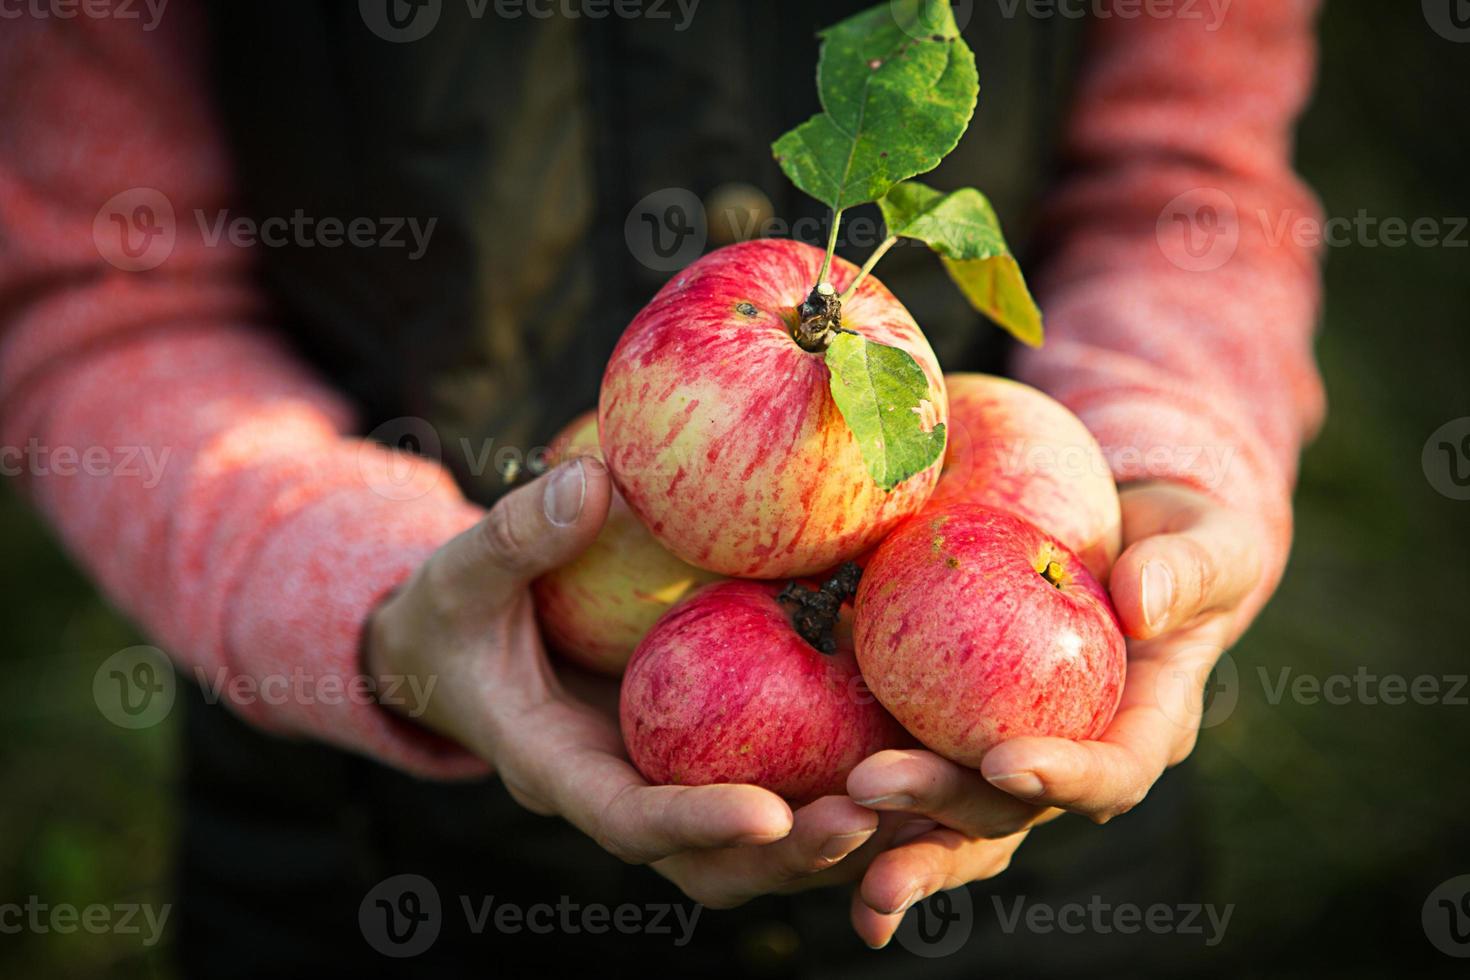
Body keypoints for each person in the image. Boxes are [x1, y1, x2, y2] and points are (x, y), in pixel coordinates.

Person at [0, 0, 1325, 974]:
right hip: (380, 856)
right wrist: (365, 599)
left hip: (1023, 858)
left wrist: (1166, 448)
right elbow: (100, 296)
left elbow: (1184, 186)